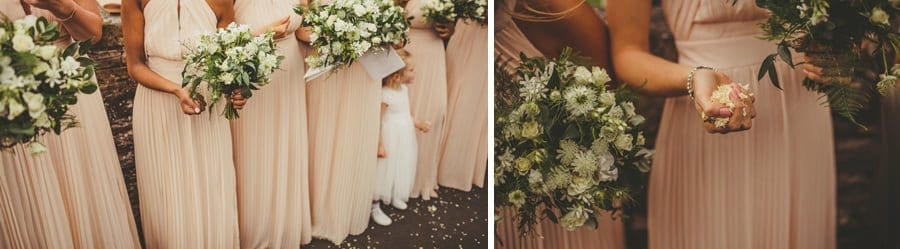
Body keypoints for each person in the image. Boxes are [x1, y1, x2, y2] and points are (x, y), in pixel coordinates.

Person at [608, 0, 834, 248]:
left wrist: (846, 54)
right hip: (705, 107)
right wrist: (693, 78)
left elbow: (862, 23)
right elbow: (627, 54)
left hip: (800, 111)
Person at [0, 1, 140, 248]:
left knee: (84, 192)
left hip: (70, 92)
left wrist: (59, 6)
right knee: (30, 199)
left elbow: (92, 34)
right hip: (11, 100)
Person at [122, 0, 246, 247]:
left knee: (211, 184)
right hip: (157, 104)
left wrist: (238, 91)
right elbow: (135, 66)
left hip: (206, 102)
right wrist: (176, 90)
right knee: (166, 191)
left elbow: (229, 62)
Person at [232, 0, 313, 247]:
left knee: (285, 146)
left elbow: (302, 30)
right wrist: (259, 34)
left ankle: (285, 227)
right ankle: (255, 231)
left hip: (290, 70)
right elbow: (215, 35)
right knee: (255, 151)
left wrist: (337, 36)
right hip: (252, 74)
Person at [303, 0, 383, 243]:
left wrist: (386, 35)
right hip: (326, 70)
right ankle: (318, 211)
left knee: (355, 135)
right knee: (323, 133)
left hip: (364, 74)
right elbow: (299, 28)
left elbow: (394, 30)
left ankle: (349, 206)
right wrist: (335, 35)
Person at [371, 49, 433, 226]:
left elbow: (406, 114)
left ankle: (392, 194)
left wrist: (419, 123)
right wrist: (378, 144)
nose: (415, 73)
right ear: (397, 75)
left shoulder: (404, 89)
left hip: (404, 136)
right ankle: (374, 205)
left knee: (398, 166)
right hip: (389, 136)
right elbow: (378, 120)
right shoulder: (385, 94)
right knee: (383, 170)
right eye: (411, 70)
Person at [403, 0, 449, 201]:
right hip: (407, 51)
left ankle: (421, 178)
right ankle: (397, 179)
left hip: (432, 54)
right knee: (403, 107)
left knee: (433, 109)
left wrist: (450, 27)